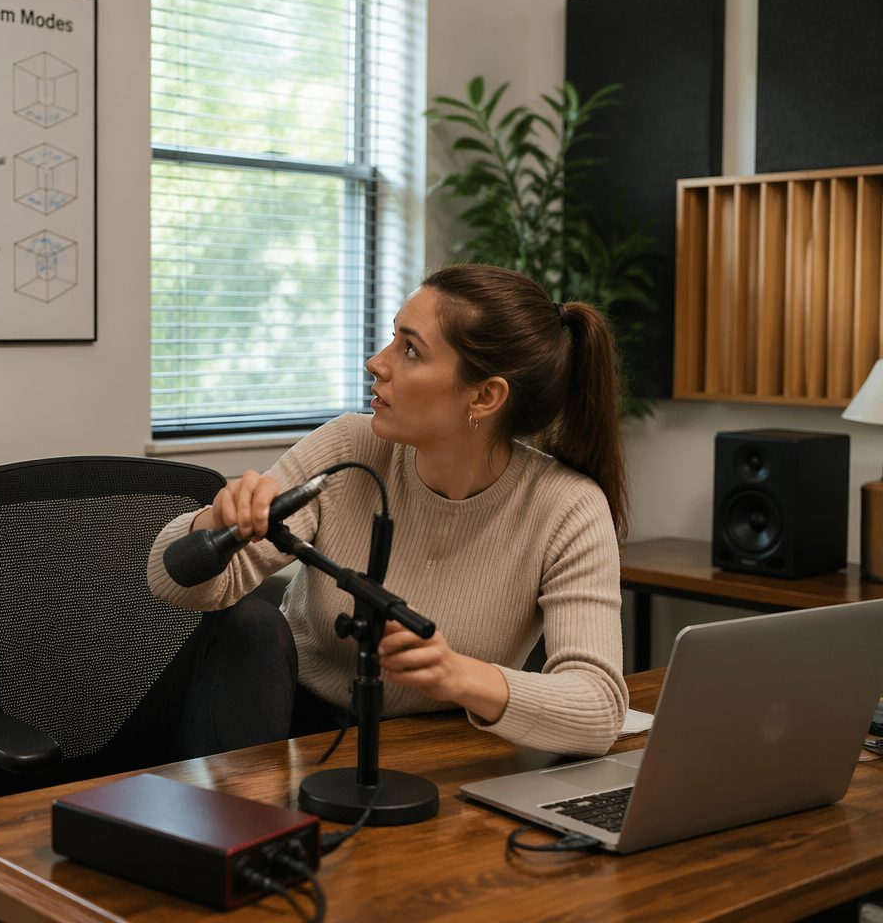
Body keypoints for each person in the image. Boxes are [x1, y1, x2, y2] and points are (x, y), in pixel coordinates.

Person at [146, 264, 629, 760]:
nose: (377, 362)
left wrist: (457, 675)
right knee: (250, 624)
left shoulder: (568, 507)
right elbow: (169, 580)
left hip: (443, 748)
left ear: (485, 396)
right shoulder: (349, 447)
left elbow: (597, 711)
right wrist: (215, 524)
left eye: (411, 349)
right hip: (291, 729)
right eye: (392, 338)